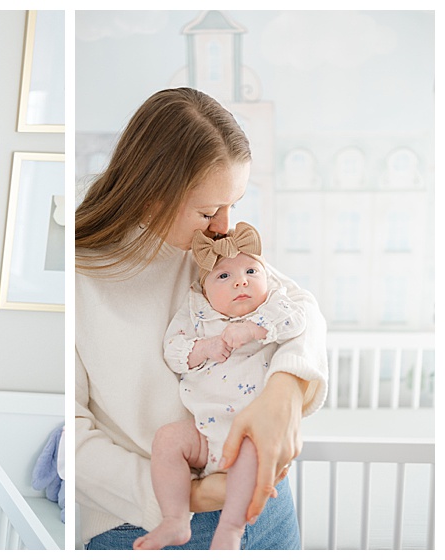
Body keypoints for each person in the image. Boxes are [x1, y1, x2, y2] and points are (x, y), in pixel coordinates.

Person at [75, 87, 327, 550]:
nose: (225, 226)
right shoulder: (81, 279)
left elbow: (300, 307)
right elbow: (73, 439)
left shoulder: (217, 254)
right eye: (210, 210)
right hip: (145, 520)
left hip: (264, 502)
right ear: (153, 194)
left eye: (233, 205)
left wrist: (286, 390)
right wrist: (187, 496)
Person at [136, 222, 308, 550]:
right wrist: (206, 347)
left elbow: (298, 319)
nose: (241, 280)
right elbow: (173, 351)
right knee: (168, 440)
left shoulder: (272, 305)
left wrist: (253, 329)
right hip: (204, 431)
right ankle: (174, 519)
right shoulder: (197, 313)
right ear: (205, 290)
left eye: (250, 271)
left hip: (250, 431)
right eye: (224, 277)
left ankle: (230, 528)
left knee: (249, 459)